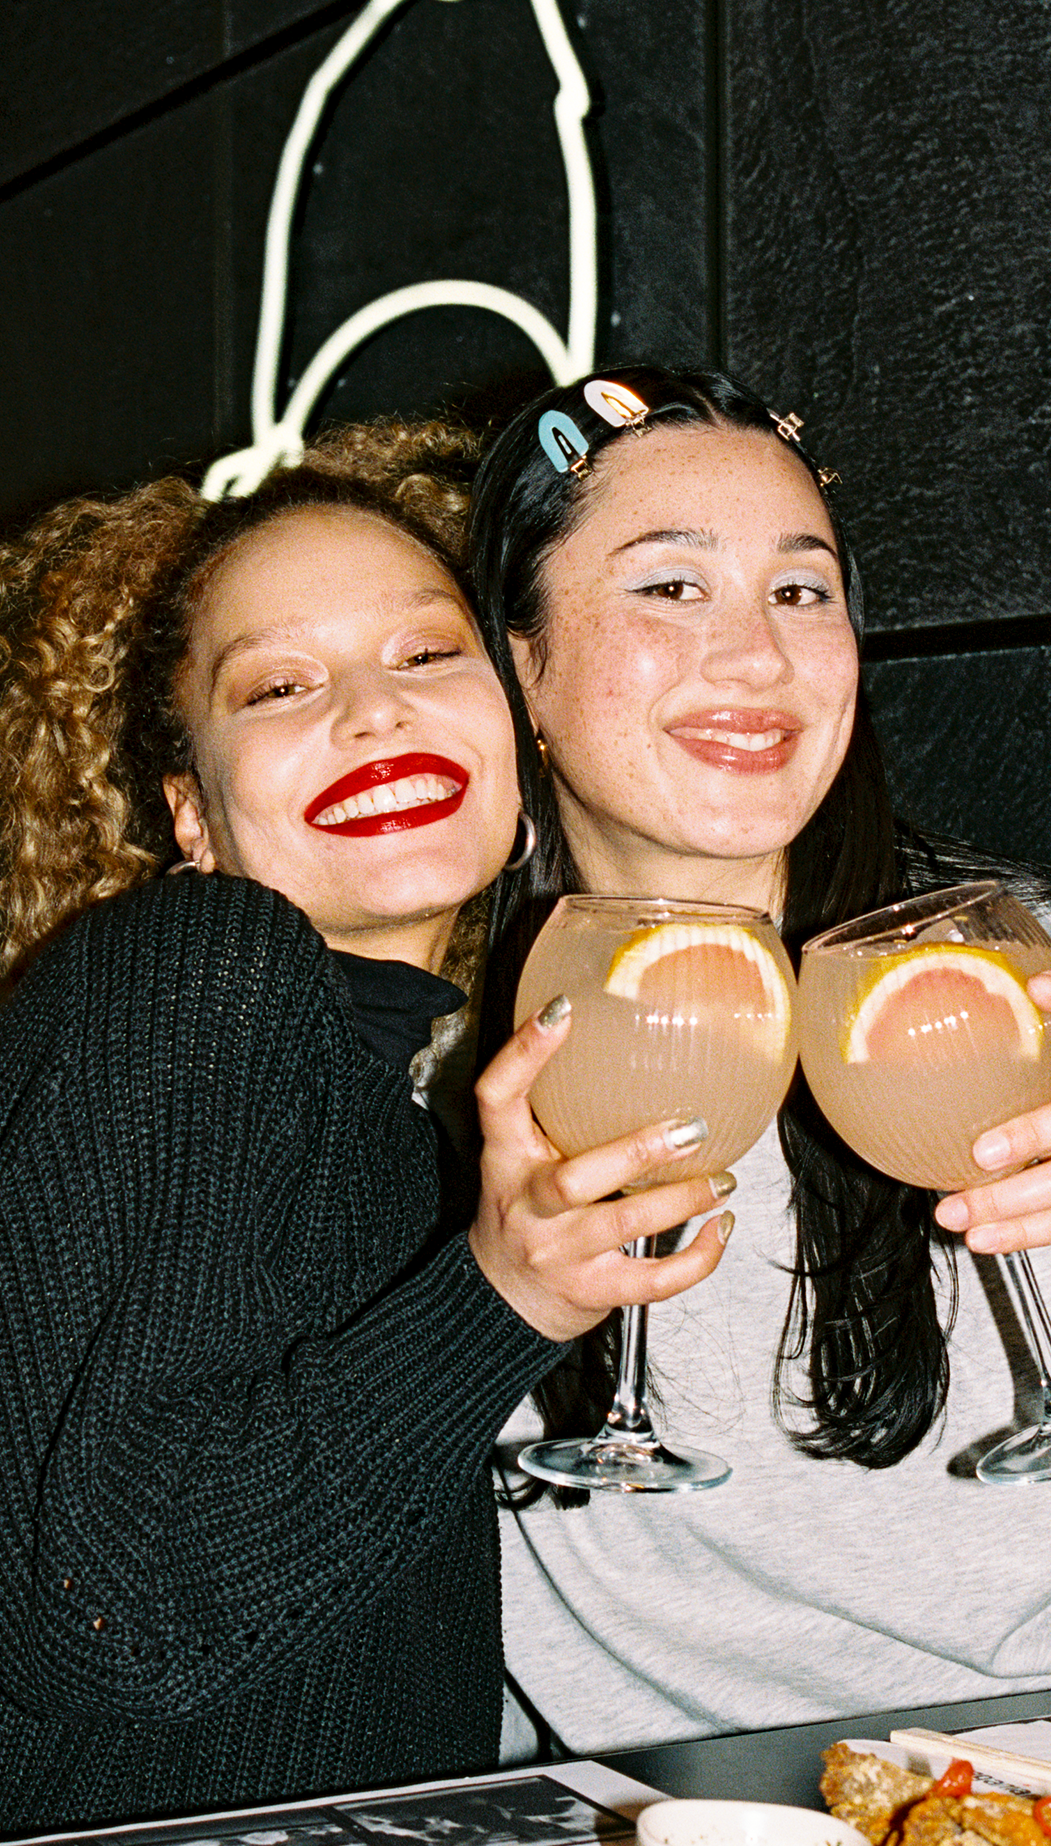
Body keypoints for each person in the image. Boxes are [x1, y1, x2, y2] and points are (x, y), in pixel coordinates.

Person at [0, 420, 727, 1831]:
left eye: (422, 656)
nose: (370, 714)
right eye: (278, 686)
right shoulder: (201, 963)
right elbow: (113, 1614)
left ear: (517, 732)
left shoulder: (408, 1097)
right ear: (189, 817)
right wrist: (499, 1300)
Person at [466, 367, 1051, 1757]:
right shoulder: (442, 1083)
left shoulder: (1043, 986)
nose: (756, 656)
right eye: (669, 588)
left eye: (802, 592)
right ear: (524, 667)